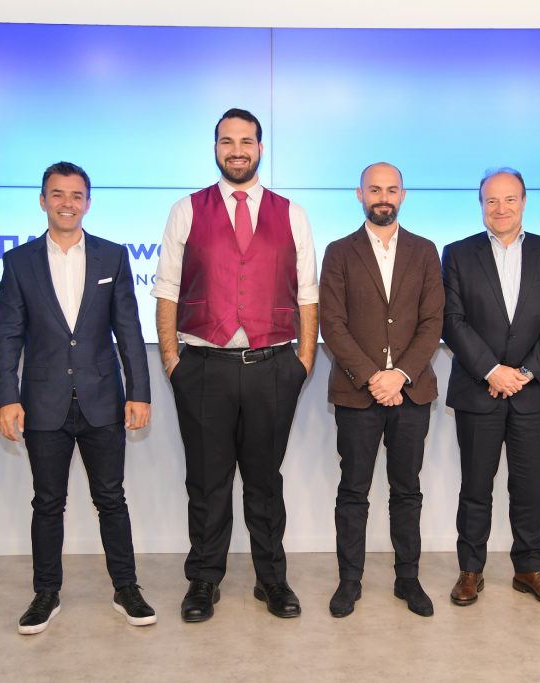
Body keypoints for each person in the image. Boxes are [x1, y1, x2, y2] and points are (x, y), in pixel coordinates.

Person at [152, 108, 319, 622]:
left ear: (261, 149)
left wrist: (303, 363)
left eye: (247, 141)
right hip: (204, 367)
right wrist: (173, 361)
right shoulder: (186, 210)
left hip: (273, 366)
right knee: (207, 482)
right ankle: (204, 580)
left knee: (265, 482)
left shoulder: (292, 213)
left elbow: (307, 294)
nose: (237, 150)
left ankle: (272, 580)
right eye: (228, 141)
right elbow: (167, 290)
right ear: (215, 148)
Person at [0, 162, 154, 634]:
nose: (67, 203)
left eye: (76, 195)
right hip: (43, 403)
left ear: (88, 202)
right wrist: (6, 397)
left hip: (103, 399)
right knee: (48, 503)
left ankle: (126, 588)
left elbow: (129, 331)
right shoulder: (19, 262)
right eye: (58, 194)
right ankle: (46, 593)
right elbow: (9, 336)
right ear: (43, 200)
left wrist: (139, 393)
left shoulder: (113, 257)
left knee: (112, 500)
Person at [442, 168, 540, 608]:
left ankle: (529, 569)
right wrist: (491, 371)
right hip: (477, 390)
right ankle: (470, 570)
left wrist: (526, 372)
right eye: (492, 200)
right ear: (481, 204)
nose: (501, 209)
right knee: (475, 487)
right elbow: (452, 321)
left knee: (529, 487)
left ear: (524, 202)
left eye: (510, 199)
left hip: (531, 393)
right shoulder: (458, 254)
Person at [319, 162, 444, 618]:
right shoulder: (338, 252)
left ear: (403, 195)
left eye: (391, 190)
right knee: (353, 491)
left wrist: (400, 375)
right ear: (360, 195)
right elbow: (332, 323)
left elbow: (433, 322)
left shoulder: (425, 251)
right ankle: (349, 581)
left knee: (407, 491)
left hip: (411, 393)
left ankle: (407, 579)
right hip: (357, 393)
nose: (383, 197)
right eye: (375, 190)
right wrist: (374, 376)